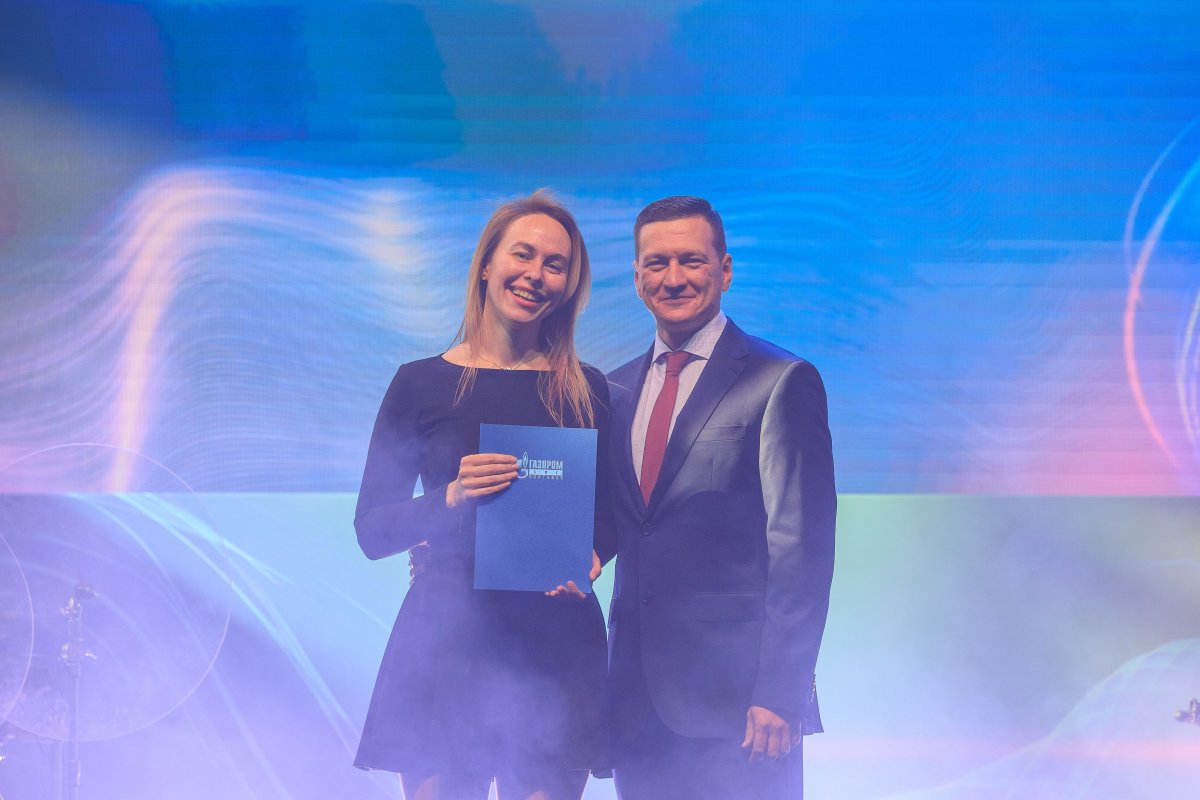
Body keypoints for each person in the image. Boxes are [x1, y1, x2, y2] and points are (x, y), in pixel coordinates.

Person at [352, 190, 612, 800]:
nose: (536, 274)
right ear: (488, 264)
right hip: (447, 643)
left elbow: (613, 515)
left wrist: (595, 557)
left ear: (569, 286)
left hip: (556, 646)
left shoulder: (589, 389)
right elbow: (371, 531)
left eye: (555, 264)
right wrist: (449, 498)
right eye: (523, 254)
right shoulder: (421, 383)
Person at [602, 196, 836, 800]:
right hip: (636, 701)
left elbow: (802, 550)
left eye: (691, 260)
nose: (673, 277)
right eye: (656, 263)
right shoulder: (614, 390)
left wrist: (781, 691)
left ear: (724, 270)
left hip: (742, 706)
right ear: (636, 278)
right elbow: (609, 526)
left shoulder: (779, 379)